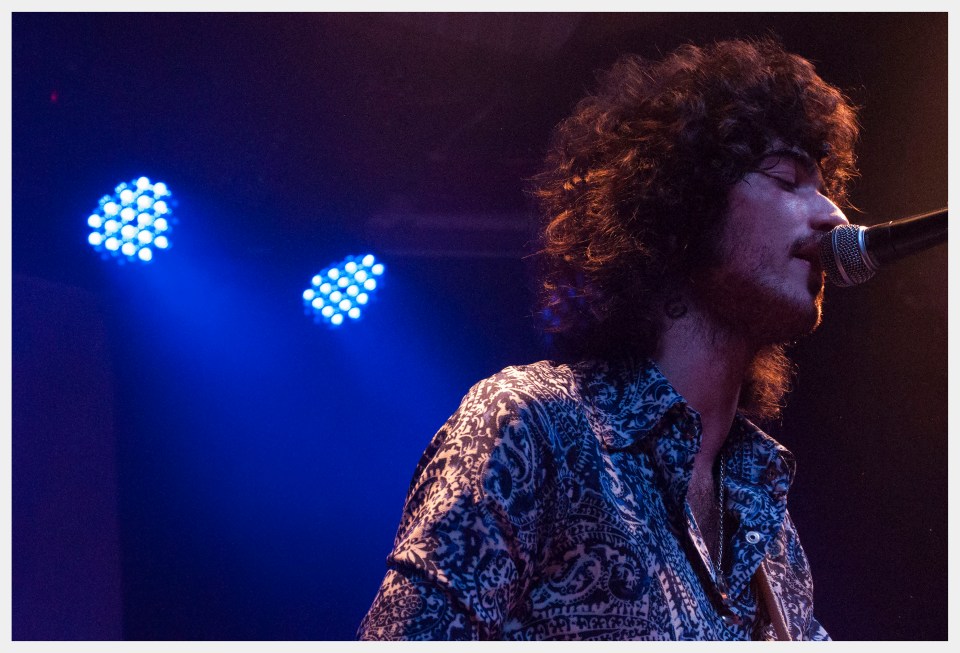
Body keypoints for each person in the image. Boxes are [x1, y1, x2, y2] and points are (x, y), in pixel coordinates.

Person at [357, 36, 858, 640]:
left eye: (824, 186)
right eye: (786, 178)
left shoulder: (765, 516)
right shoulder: (537, 427)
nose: (834, 215)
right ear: (684, 211)